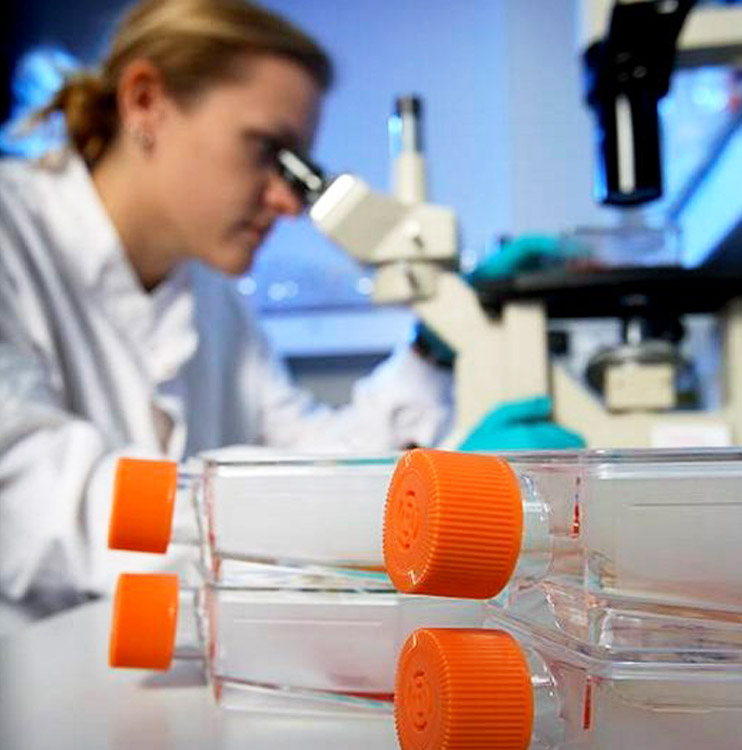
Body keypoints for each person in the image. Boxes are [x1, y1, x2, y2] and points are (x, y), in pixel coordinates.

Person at [0, 0, 453, 620]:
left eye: (298, 170)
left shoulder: (209, 294)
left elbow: (311, 453)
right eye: (268, 150)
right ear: (145, 102)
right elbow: (37, 499)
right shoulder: (12, 235)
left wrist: (435, 349)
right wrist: (298, 517)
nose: (288, 203)